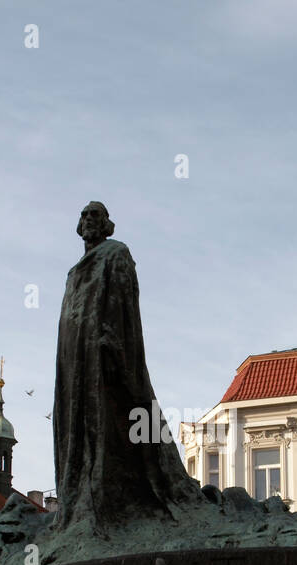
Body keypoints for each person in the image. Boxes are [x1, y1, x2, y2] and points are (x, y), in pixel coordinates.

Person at [51, 202, 202, 533]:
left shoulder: (116, 253)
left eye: (96, 215)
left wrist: (112, 344)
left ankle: (109, 502)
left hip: (102, 354)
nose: (89, 220)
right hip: (73, 359)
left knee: (110, 426)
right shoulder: (74, 272)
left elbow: (123, 303)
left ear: (107, 225)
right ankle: (79, 497)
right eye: (84, 215)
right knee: (78, 426)